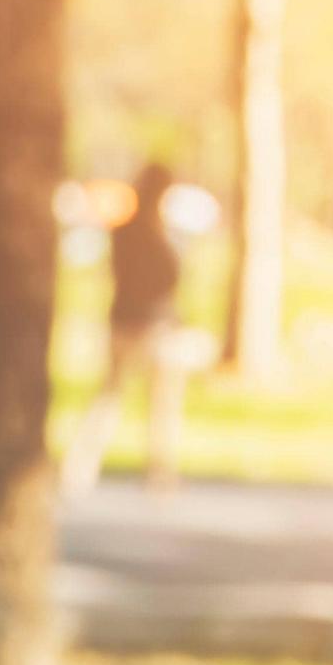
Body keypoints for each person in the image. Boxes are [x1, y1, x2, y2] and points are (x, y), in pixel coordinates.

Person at [59, 159, 192, 496]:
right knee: (159, 406)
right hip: (154, 326)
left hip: (124, 322)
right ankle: (159, 476)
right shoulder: (160, 237)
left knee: (111, 398)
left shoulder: (125, 233)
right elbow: (170, 279)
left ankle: (80, 470)